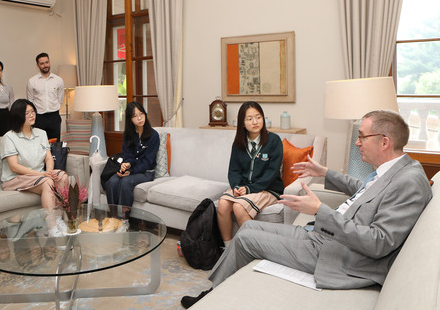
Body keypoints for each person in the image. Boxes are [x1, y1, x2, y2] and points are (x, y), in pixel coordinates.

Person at [181, 110, 432, 308]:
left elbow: (379, 242)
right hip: (324, 236)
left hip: (340, 255)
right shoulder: (394, 169)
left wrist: (320, 210)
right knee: (250, 229)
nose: (357, 143)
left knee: (246, 238)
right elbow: (363, 188)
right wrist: (324, 172)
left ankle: (213, 296)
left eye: (362, 136)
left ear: (384, 142)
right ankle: (218, 291)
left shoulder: (408, 182)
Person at [217, 101, 284, 247]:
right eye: (249, 118)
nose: (255, 122)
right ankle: (228, 247)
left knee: (239, 207)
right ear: (242, 123)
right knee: (222, 204)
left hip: (269, 188)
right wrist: (236, 186)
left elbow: (271, 173)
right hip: (244, 187)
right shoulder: (238, 143)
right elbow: (234, 170)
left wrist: (249, 189)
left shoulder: (273, 140)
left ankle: (255, 249)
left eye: (258, 117)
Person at [0, 99, 69, 237]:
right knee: (48, 182)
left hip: (38, 175)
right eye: (27, 113)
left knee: (63, 176)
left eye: (33, 112)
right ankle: (52, 227)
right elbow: (14, 167)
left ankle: (59, 219)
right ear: (18, 116)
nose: (32, 115)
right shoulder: (9, 137)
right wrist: (43, 175)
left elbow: (48, 157)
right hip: (15, 178)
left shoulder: (41, 133)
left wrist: (49, 171)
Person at [104, 102, 160, 229]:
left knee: (126, 182)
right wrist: (126, 165)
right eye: (135, 116)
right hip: (132, 170)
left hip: (146, 172)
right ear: (130, 119)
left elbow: (148, 162)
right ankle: (114, 219)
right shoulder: (128, 134)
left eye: (141, 114)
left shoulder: (153, 135)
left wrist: (131, 171)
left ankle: (124, 220)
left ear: (145, 114)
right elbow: (128, 155)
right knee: (112, 181)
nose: (139, 118)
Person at [26, 53, 65, 142]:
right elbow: (30, 100)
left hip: (54, 116)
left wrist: (56, 107)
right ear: (37, 65)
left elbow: (60, 98)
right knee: (39, 144)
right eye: (42, 63)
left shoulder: (58, 80)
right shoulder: (32, 81)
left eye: (46, 62)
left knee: (55, 145)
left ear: (49, 62)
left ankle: (54, 156)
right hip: (39, 118)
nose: (45, 65)